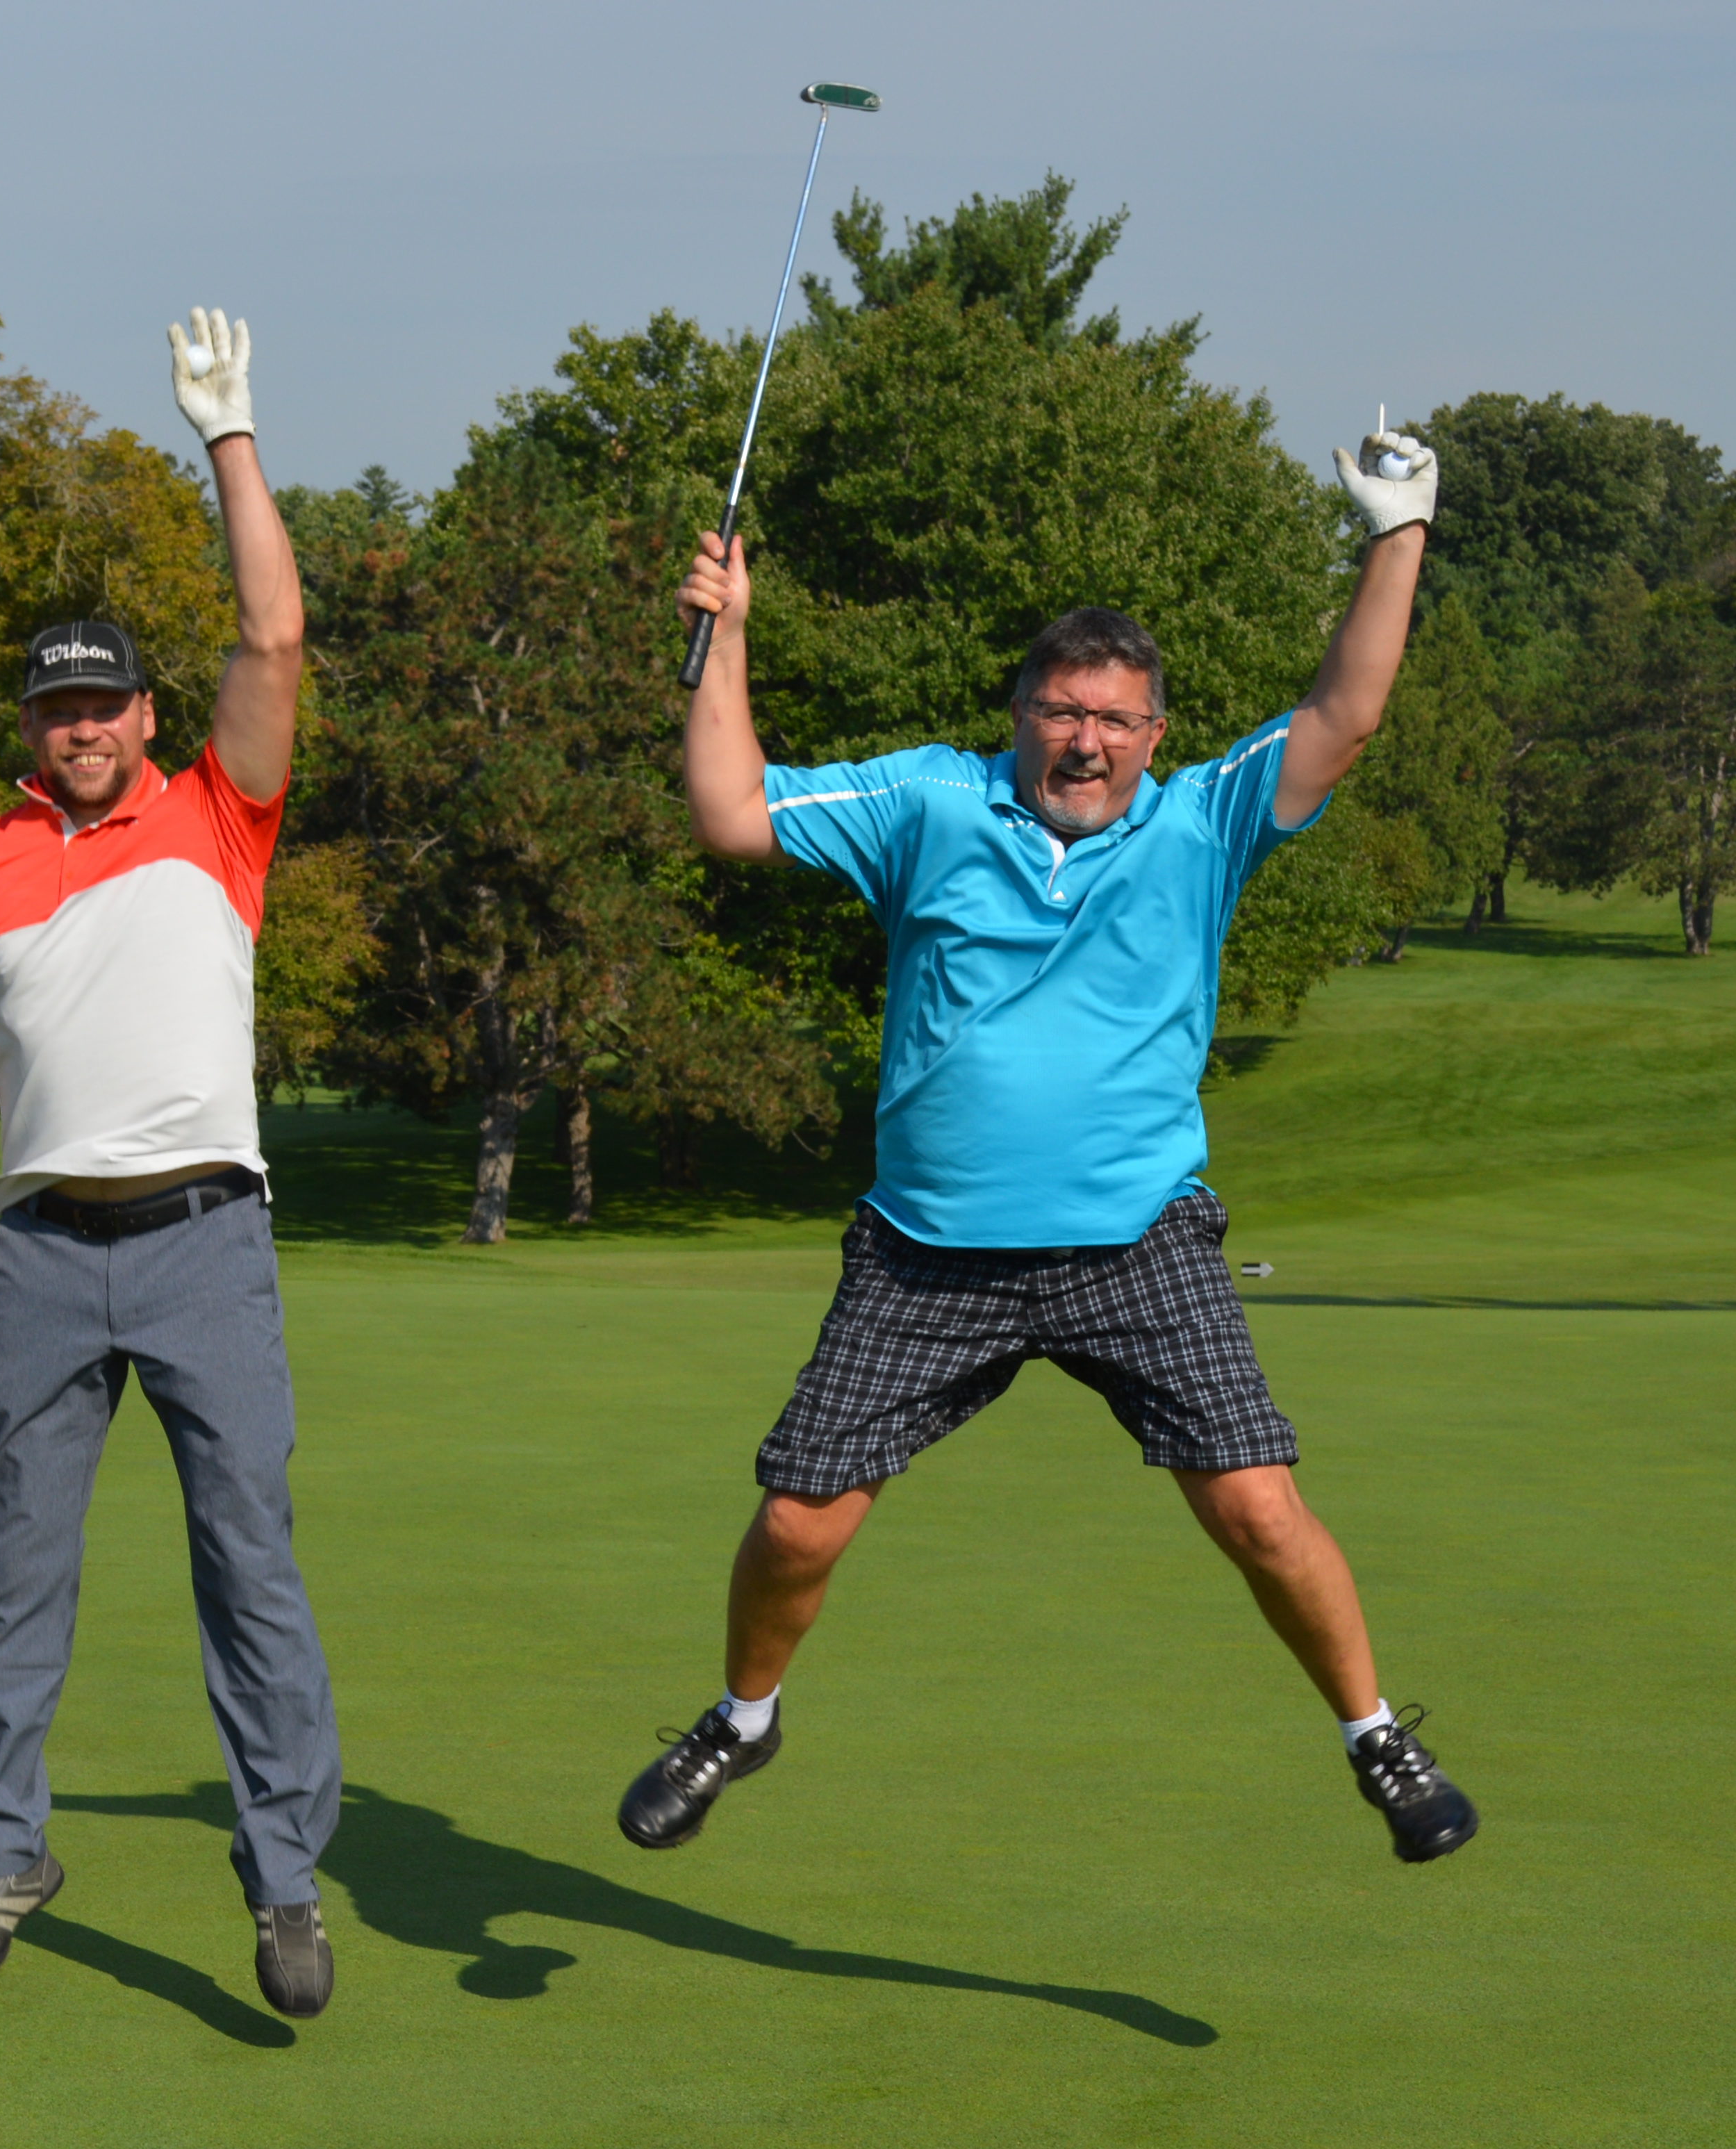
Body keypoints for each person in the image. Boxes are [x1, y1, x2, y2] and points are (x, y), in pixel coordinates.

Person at [625, 418, 1480, 1866]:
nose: (1083, 738)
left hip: (1134, 1241)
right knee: (795, 1527)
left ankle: (1377, 1738)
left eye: (1114, 719)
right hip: (925, 1255)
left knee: (1260, 1509)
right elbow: (728, 810)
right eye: (1058, 710)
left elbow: (1347, 713)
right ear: (1019, 713)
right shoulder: (926, 801)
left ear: (1154, 735)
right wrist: (724, 638)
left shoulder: (1208, 818)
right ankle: (741, 1720)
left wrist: (1398, 531)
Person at [0, 311, 341, 2019]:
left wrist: (230, 438)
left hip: (208, 1237)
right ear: (34, 724)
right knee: (16, 1577)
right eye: (59, 707)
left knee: (249, 1568)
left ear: (146, 714)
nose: (83, 728)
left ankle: (284, 1879)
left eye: (107, 702)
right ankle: (3, 1855)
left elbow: (274, 630)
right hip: (43, 1255)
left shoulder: (220, 813)